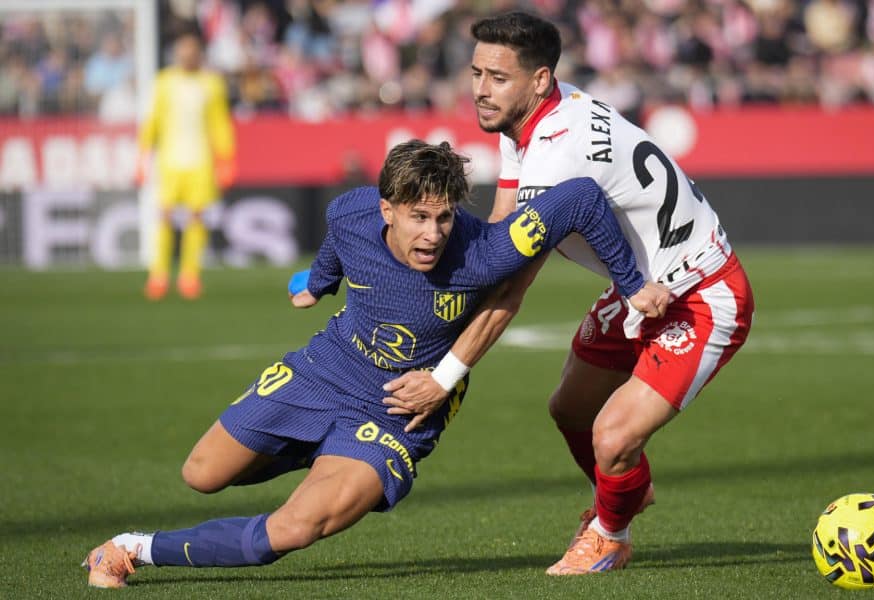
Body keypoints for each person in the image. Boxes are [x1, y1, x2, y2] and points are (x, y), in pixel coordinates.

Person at [81, 139, 671, 588]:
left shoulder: (487, 250)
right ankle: (322, 450)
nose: (435, 234)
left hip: (398, 410)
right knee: (202, 473)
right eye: (419, 217)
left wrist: (633, 283)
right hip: (327, 367)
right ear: (387, 209)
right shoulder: (350, 212)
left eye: (444, 218)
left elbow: (584, 198)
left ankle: (132, 549)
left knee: (290, 530)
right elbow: (338, 245)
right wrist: (318, 282)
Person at [382, 12, 755, 575]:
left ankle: (611, 533)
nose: (481, 90)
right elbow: (500, 231)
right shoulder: (533, 116)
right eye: (477, 72)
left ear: (538, 80)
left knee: (611, 435)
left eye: (497, 77)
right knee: (571, 409)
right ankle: (628, 491)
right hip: (639, 286)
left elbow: (511, 284)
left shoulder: (556, 156)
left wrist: (443, 377)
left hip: (701, 294)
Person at [138, 30, 236, 300]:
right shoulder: (164, 82)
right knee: (165, 216)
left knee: (196, 217)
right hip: (170, 161)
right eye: (183, 50)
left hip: (200, 162)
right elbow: (153, 121)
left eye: (192, 50)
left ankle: (189, 275)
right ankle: (158, 275)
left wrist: (226, 158)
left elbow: (220, 124)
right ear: (177, 53)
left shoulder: (212, 84)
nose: (188, 55)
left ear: (199, 54)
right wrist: (143, 155)